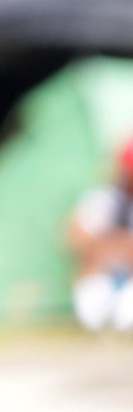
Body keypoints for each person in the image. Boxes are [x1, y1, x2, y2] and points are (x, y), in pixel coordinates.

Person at [67, 139, 133, 332]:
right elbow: (74, 237)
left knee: (127, 315)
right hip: (101, 278)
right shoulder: (103, 198)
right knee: (94, 312)